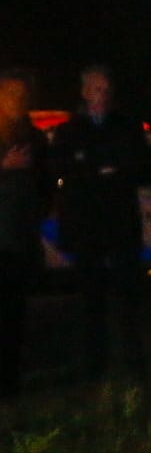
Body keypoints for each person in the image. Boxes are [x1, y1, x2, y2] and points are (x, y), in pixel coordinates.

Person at [49, 65, 146, 379]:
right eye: (96, 89)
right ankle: (94, 364)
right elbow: (63, 171)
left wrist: (104, 170)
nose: (101, 96)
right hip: (87, 227)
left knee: (128, 298)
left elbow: (138, 165)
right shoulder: (69, 131)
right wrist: (95, 171)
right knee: (92, 300)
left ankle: (132, 363)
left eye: (105, 89)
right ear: (84, 92)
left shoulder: (126, 127)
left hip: (121, 225)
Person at [0, 71, 50, 398]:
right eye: (10, 93)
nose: (16, 100)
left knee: (14, 314)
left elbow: (45, 186)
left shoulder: (35, 138)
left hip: (18, 239)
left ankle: (10, 383)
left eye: (22, 94)